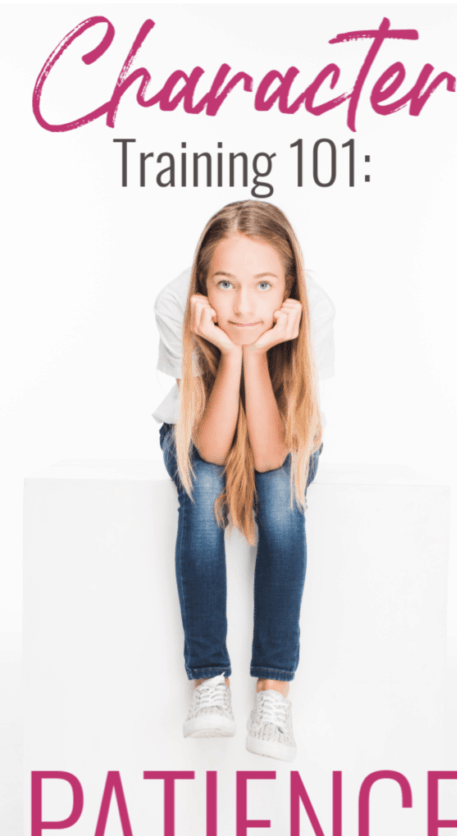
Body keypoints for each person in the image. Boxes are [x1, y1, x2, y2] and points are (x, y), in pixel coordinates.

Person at [153, 200, 335, 761]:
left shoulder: (317, 310)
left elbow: (268, 456)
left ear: (288, 289)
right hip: (200, 425)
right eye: (226, 284)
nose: (243, 305)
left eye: (262, 286)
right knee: (203, 490)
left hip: (278, 427)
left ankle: (272, 694)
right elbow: (209, 447)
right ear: (204, 283)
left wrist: (257, 356)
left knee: (281, 501)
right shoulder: (172, 303)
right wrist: (232, 354)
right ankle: (209, 680)